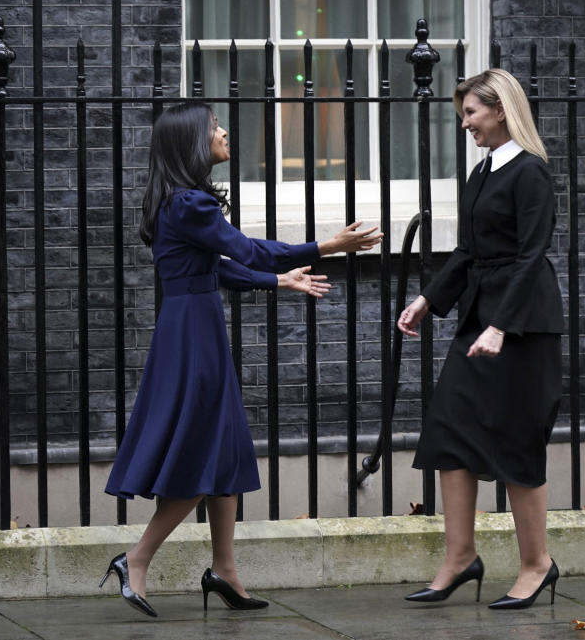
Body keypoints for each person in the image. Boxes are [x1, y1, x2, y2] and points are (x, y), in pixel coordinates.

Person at [100, 102, 382, 617]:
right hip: (193, 340)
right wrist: (327, 245)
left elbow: (215, 270)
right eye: (213, 127)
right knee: (201, 455)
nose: (224, 132)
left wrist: (279, 279)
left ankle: (224, 570)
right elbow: (245, 251)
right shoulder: (190, 204)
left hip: (191, 327)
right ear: (191, 142)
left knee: (225, 451)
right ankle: (135, 559)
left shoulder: (177, 202)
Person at [397, 69, 564, 610]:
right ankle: (459, 556)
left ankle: (537, 564)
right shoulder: (482, 171)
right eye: (463, 114)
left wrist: (500, 325)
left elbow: (530, 254)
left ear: (500, 110)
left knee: (517, 440)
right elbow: (469, 252)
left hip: (521, 324)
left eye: (470, 112)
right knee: (449, 429)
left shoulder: (530, 172)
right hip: (480, 317)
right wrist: (428, 299)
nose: (464, 123)